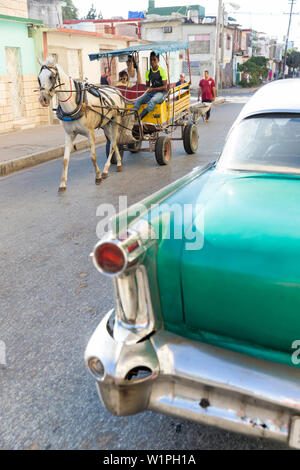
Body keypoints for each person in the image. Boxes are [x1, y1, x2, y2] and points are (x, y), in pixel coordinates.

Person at [133, 51, 168, 121]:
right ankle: (133, 116)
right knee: (138, 100)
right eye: (151, 60)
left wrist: (152, 89)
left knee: (152, 101)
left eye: (154, 59)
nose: (152, 62)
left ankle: (140, 117)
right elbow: (147, 86)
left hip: (162, 93)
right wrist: (148, 89)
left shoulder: (162, 71)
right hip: (152, 93)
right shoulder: (148, 72)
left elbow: (165, 87)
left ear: (158, 60)